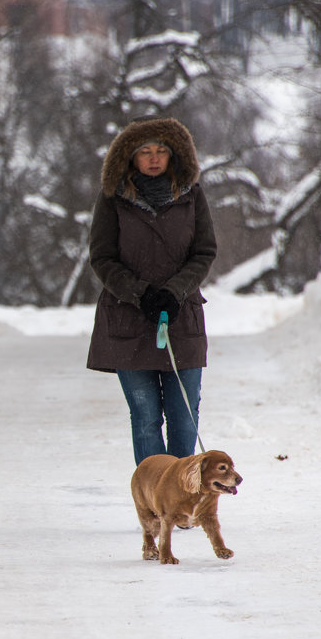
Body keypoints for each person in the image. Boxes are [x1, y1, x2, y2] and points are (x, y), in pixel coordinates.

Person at [85, 117, 217, 466]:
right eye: (145, 151)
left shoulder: (192, 196)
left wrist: (174, 292)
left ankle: (183, 497)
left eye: (161, 150)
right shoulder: (113, 198)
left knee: (184, 416)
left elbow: (204, 252)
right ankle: (156, 505)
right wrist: (139, 294)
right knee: (144, 417)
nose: (154, 158)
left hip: (181, 317)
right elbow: (102, 256)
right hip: (129, 321)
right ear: (130, 156)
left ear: (175, 155)